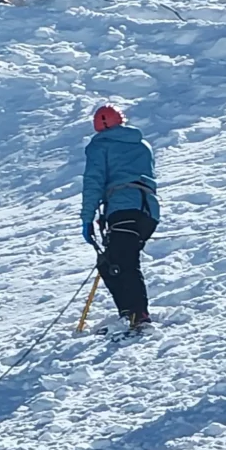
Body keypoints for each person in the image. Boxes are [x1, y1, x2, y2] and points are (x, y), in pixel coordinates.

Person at [81, 103, 160, 332]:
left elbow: (93, 183)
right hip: (148, 211)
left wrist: (87, 219)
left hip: (122, 207)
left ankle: (138, 316)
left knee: (122, 261)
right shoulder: (142, 145)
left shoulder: (100, 147)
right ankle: (129, 313)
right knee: (111, 261)